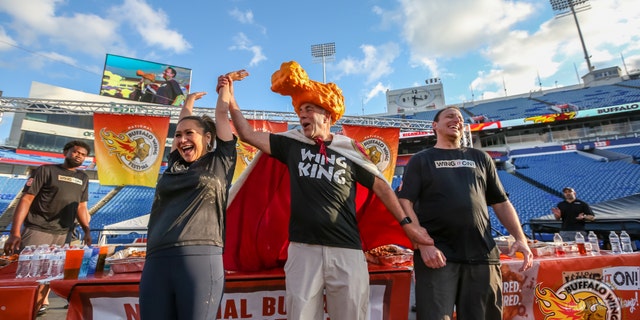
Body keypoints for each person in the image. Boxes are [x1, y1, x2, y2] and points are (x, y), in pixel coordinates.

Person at [222, 61, 432, 320]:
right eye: (300, 111)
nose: (302, 115)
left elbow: (381, 186)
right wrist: (230, 98)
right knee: (300, 316)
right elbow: (246, 134)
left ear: (328, 115)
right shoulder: (292, 145)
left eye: (309, 109)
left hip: (347, 251)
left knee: (352, 315)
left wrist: (408, 226)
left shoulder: (351, 149)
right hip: (303, 251)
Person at [397, 106, 533, 320]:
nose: (456, 120)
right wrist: (423, 244)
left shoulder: (481, 158)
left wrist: (520, 238)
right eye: (449, 116)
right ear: (435, 126)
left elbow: (501, 202)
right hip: (438, 256)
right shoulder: (421, 160)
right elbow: (404, 202)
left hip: (482, 254)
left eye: (460, 118)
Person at [138, 71, 242, 319]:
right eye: (178, 136)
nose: (182, 139)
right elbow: (183, 122)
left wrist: (225, 88)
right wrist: (188, 103)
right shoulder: (175, 162)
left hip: (200, 258)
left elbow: (220, 115)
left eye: (189, 134)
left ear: (208, 138)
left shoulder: (221, 161)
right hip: (156, 260)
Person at [3, 140, 92, 314]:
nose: (78, 156)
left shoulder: (83, 178)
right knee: (29, 274)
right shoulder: (45, 170)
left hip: (64, 233)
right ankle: (20, 310)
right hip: (37, 229)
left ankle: (39, 305)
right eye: (75, 152)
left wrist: (87, 229)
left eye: (82, 154)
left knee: (52, 274)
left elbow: (81, 206)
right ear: (65, 152)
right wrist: (15, 232)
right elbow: (26, 199)